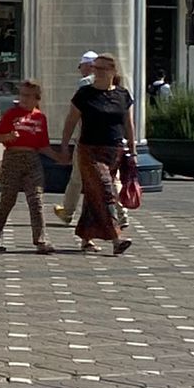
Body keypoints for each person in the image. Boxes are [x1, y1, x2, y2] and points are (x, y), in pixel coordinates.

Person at [61, 52, 136, 257]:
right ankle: (116, 238)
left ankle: (86, 239)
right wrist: (65, 145)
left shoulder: (122, 94)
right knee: (105, 190)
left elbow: (128, 124)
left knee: (94, 194)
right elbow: (71, 121)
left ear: (113, 71)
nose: (97, 72)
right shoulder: (84, 94)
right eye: (94, 68)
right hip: (89, 150)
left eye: (102, 69)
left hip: (113, 151)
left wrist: (133, 149)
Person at [0, 81, 54, 254]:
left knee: (36, 199)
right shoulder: (11, 114)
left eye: (28, 96)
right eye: (21, 95)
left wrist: (59, 157)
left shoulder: (40, 118)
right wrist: (8, 136)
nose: (23, 99)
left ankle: (41, 239)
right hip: (12, 159)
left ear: (37, 98)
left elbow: (43, 145)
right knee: (8, 199)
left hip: (32, 159)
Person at [53, 51, 99, 227]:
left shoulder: (85, 84)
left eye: (81, 66)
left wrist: (67, 140)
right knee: (110, 179)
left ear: (88, 66)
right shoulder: (112, 84)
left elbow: (76, 113)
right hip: (109, 140)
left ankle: (68, 211)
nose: (80, 70)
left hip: (86, 138)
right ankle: (121, 213)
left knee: (77, 177)